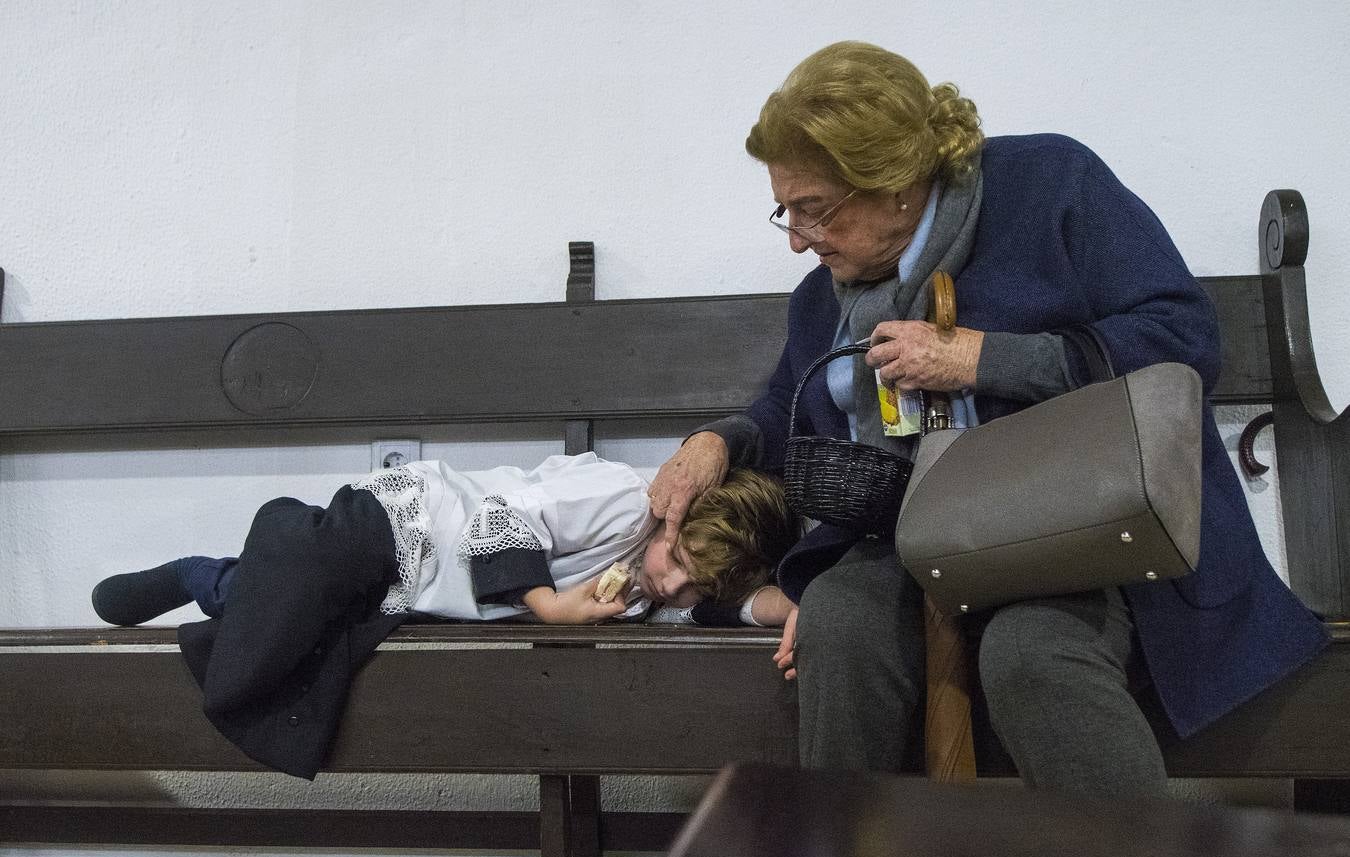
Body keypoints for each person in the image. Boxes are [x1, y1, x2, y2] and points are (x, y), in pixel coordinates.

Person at [648, 40, 1328, 798]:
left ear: (898, 186)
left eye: (815, 208)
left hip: (1083, 527)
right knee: (837, 617)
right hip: (918, 535)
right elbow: (788, 408)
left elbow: (1182, 338)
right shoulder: (825, 297)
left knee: (1031, 652)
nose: (799, 238)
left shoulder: (1051, 187)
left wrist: (985, 360)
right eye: (787, 210)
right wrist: (716, 443)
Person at [92, 454, 799, 777]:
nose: (667, 582)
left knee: (306, 644)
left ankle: (218, 587)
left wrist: (793, 607)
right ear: (677, 516)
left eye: (687, 589)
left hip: (414, 598)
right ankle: (206, 575)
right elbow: (500, 514)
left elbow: (733, 607)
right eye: (675, 559)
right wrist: (549, 606)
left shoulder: (662, 594)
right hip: (409, 523)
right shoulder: (625, 500)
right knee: (304, 575)